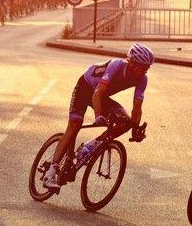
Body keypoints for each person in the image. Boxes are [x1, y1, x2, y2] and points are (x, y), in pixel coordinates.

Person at [42, 44, 152, 191]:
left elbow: (137, 109)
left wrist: (135, 128)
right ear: (131, 62)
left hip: (102, 96)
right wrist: (99, 115)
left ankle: (89, 147)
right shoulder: (116, 65)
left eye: (146, 68)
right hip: (86, 88)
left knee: (125, 122)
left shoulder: (142, 79)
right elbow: (97, 94)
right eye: (141, 66)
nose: (143, 71)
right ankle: (51, 172)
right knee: (75, 124)